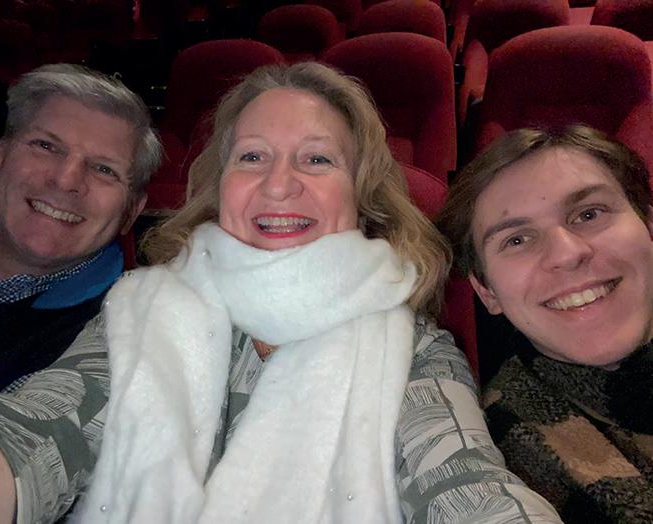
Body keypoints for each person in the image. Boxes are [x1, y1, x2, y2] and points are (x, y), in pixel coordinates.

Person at [66, 62, 557, 522]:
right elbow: (42, 426)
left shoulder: (417, 351)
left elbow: (468, 482)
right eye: (252, 156)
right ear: (221, 188)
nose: (278, 186)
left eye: (317, 159)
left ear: (360, 195)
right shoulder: (137, 310)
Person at [0, 62, 161, 523]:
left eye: (103, 169)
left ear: (131, 212)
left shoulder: (114, 342)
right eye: (46, 146)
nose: (65, 180)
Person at [438, 124, 653, 523]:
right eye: (517, 240)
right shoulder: (509, 456)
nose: (566, 254)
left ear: (649, 225)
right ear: (486, 291)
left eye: (588, 214)